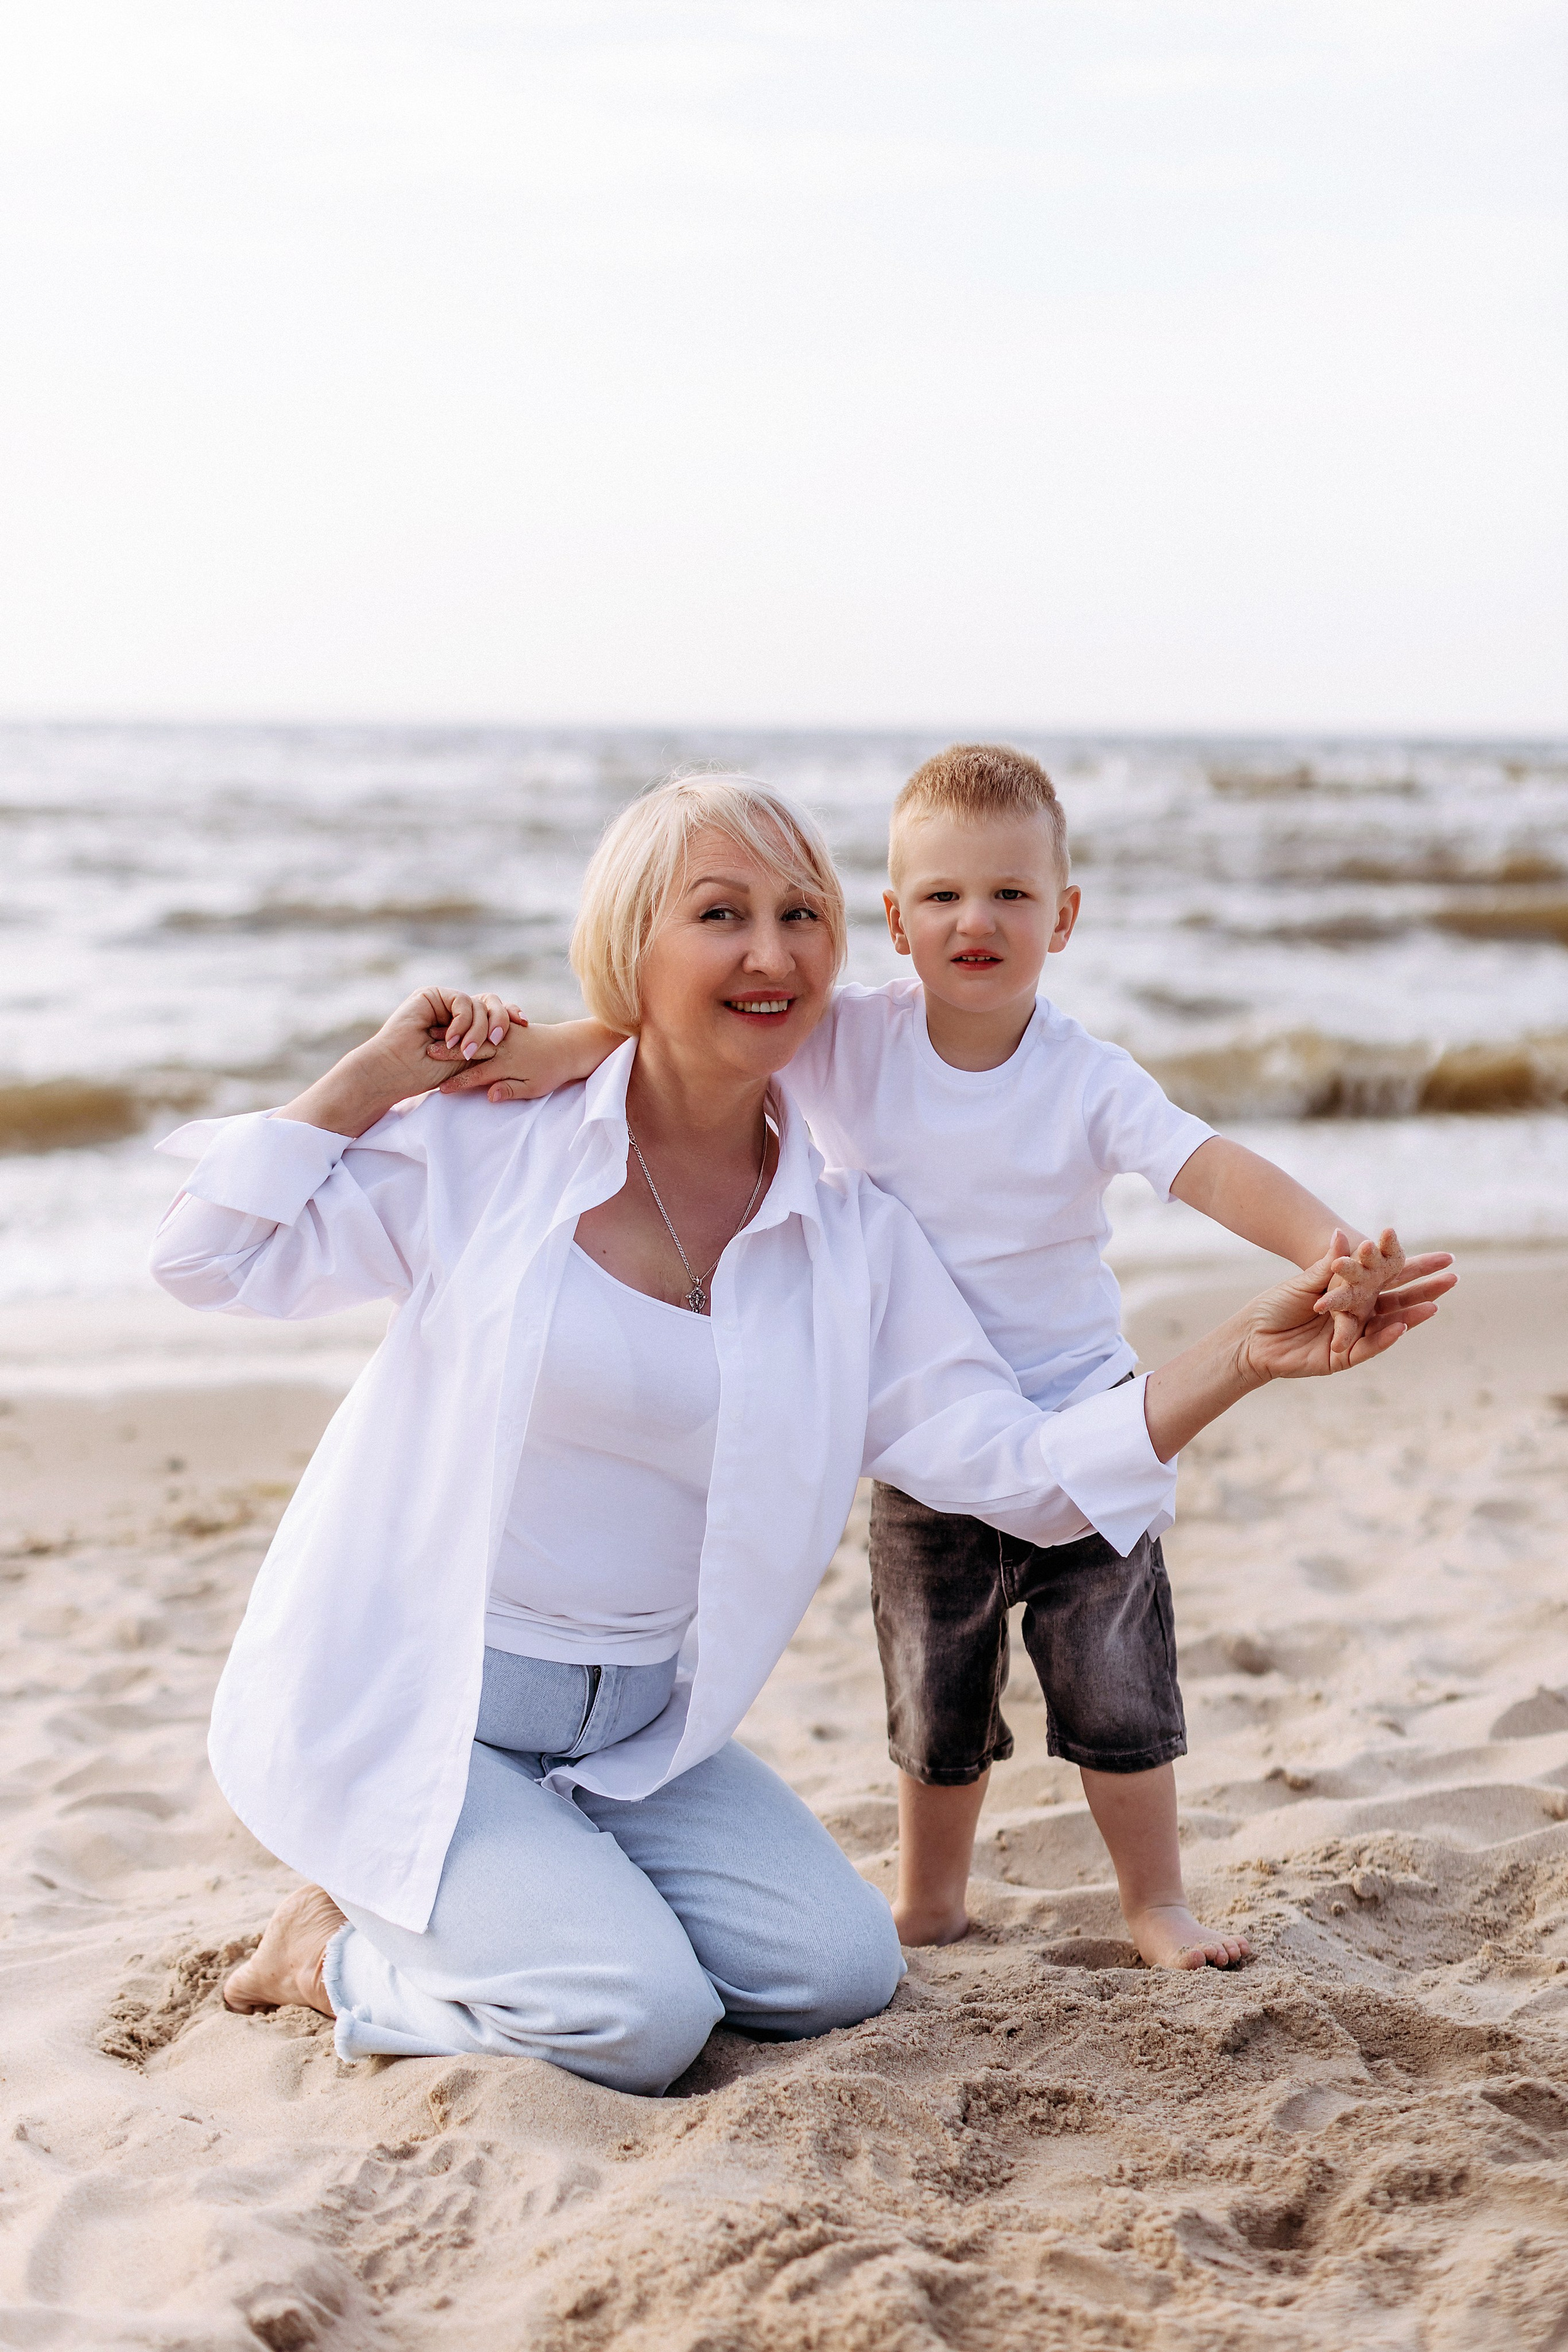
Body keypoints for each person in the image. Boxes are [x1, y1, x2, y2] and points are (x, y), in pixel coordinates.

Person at [151, 776, 1450, 2099]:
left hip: (638, 1738)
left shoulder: (851, 1237)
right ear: (631, 950)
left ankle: (536, 1885)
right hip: (441, 1705)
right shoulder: (498, 1145)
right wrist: (377, 1074)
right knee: (633, 2019)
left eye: (802, 915)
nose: (771, 954)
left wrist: (1242, 1355)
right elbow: (206, 1257)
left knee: (835, 1975)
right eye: (721, 915)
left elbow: (1023, 1477)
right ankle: (326, 1952)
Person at [456, 750, 1456, 1967]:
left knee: (1116, 1691)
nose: (971, 922)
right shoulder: (847, 1040)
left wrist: (1330, 1249)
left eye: (1008, 896)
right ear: (890, 920)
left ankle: (1152, 1901)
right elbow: (684, 1030)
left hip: (1085, 1431)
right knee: (936, 1698)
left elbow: (1207, 1166)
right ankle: (930, 1901)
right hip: (925, 1441)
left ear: (1063, 917)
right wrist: (558, 1049)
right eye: (937, 897)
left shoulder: (1084, 1078)